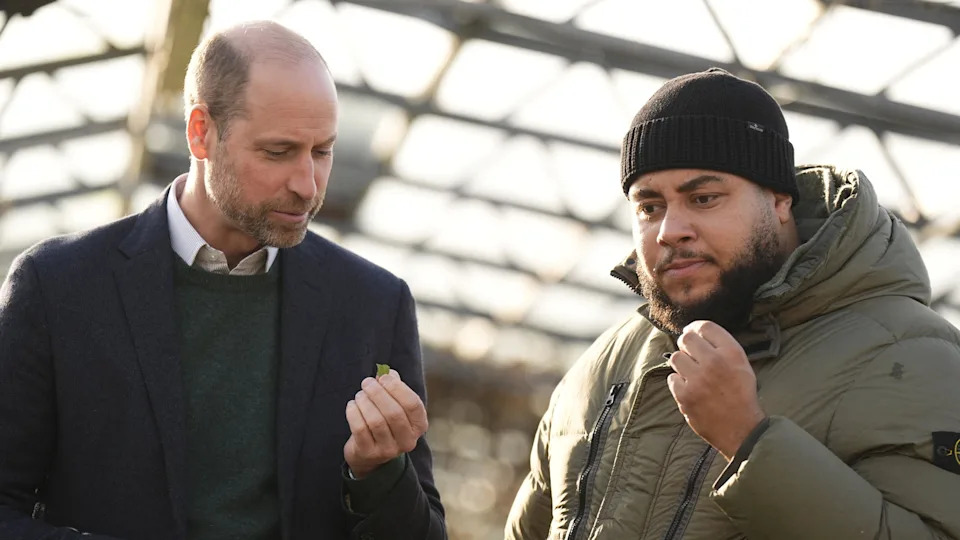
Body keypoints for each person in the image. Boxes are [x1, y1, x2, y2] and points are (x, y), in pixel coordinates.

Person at [0, 21, 446, 540]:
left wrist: (378, 474)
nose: (307, 186)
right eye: (277, 152)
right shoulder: (58, 288)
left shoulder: (374, 305)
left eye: (322, 151)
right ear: (200, 132)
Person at [505, 68, 960, 539]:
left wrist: (748, 441)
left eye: (703, 198)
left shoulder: (913, 357)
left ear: (780, 200)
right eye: (649, 207)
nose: (668, 230)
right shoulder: (605, 363)